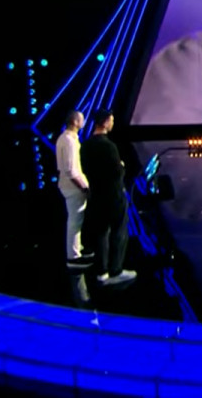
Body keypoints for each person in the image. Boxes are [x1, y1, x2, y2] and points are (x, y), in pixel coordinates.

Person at [81, 108, 137, 286]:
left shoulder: (86, 145)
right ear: (105, 122)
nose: (113, 123)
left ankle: (101, 272)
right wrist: (121, 166)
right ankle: (116, 270)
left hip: (96, 196)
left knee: (101, 234)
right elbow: (117, 172)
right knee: (119, 232)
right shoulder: (108, 146)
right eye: (111, 120)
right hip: (113, 196)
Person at [55, 110, 92, 269]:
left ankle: (78, 248)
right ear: (75, 122)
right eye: (82, 119)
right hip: (73, 187)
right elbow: (70, 171)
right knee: (75, 222)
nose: (84, 122)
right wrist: (84, 187)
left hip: (68, 185)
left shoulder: (66, 138)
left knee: (76, 220)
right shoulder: (69, 141)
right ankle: (74, 257)